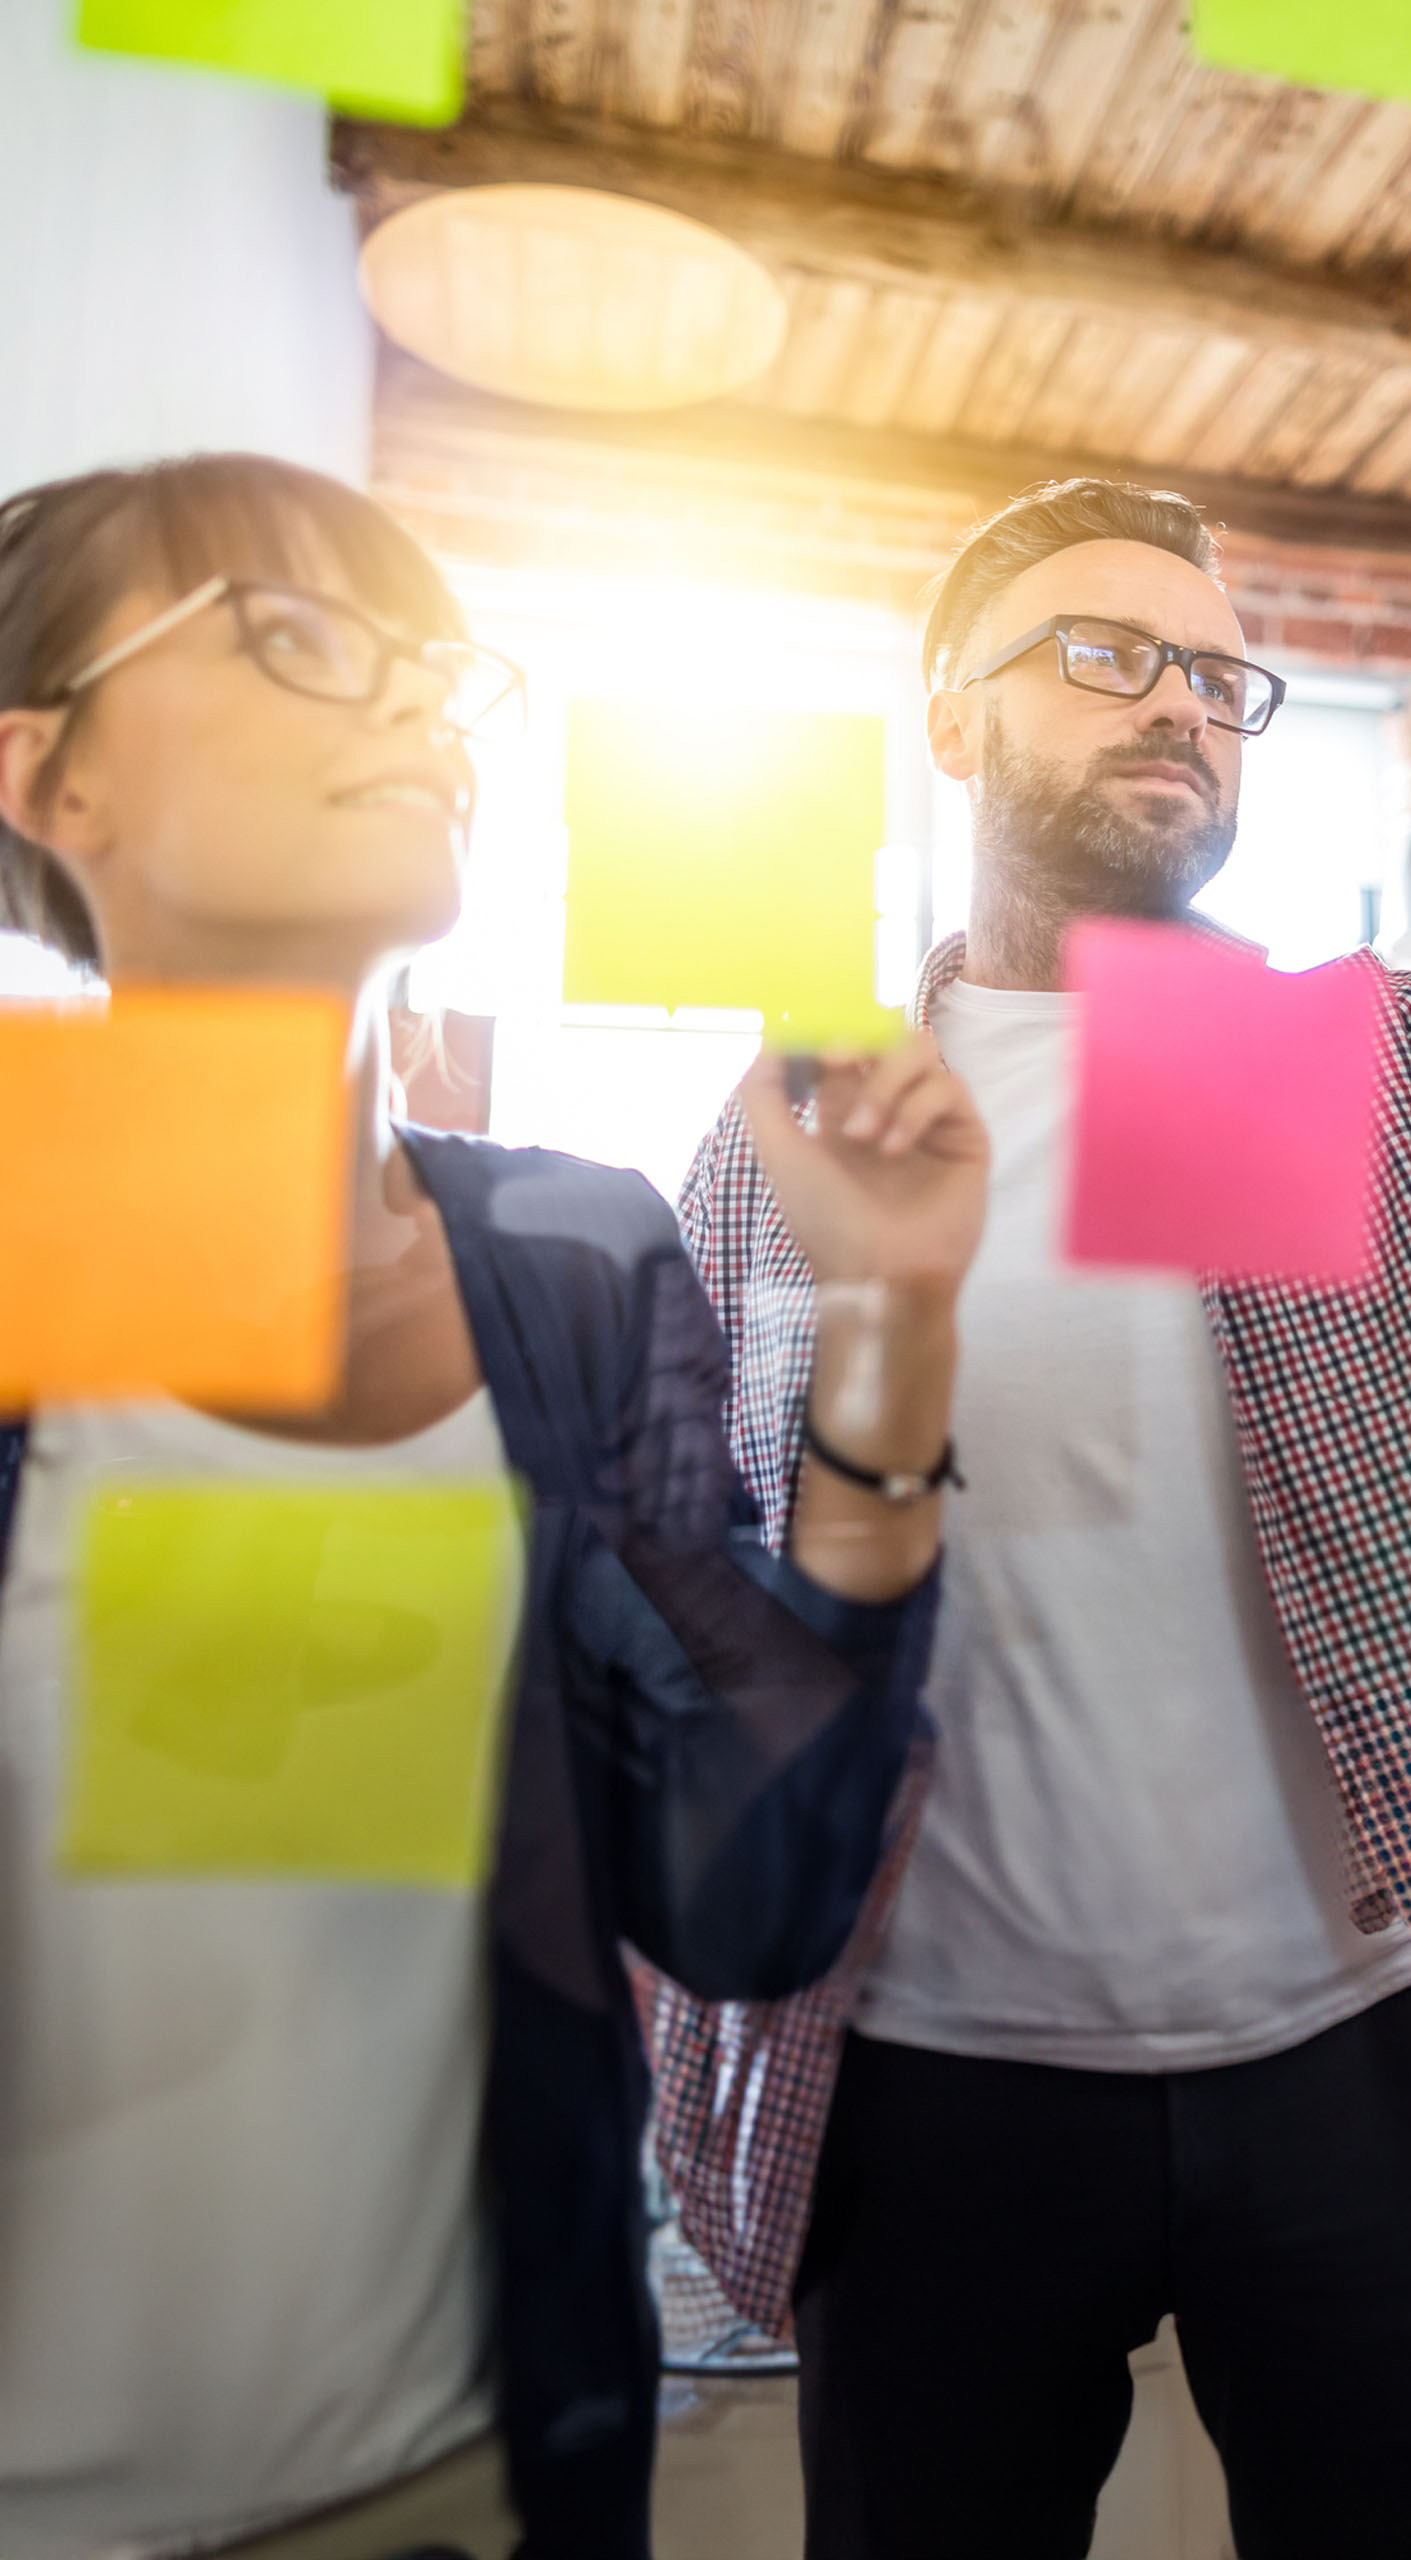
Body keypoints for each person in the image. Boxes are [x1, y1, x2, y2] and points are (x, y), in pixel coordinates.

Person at [643, 146, 1411, 2560]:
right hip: (918, 2082)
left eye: (1220, 677)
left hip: (1345, 2050)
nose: (1187, 713)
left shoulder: (1309, 1052)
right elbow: (708, 1633)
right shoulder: (790, 1125)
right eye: (1103, 654)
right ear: (949, 712)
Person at [0, 453, 988, 2560]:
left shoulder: (568, 1259)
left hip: (472, 2477)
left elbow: (745, 1893)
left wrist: (890, 1305)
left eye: (442, 670)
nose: (416, 713)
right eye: (294, 636)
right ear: (48, 776)